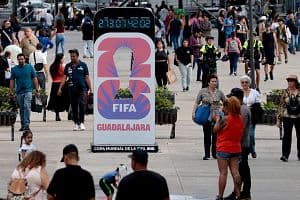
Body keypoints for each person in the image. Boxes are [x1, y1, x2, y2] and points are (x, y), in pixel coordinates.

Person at [213, 96, 244, 200]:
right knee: (236, 172)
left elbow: (215, 129)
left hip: (224, 147)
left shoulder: (226, 119)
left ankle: (220, 195)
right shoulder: (240, 118)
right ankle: (238, 194)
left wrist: (217, 119)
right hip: (236, 148)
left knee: (223, 173)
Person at [224, 88, 252, 200]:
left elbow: (241, 128)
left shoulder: (243, 110)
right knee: (239, 170)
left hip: (242, 145)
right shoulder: (239, 109)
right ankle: (237, 192)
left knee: (243, 169)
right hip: (239, 144)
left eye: (231, 97)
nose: (230, 99)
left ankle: (244, 192)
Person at [192, 74, 226, 160]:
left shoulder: (219, 92)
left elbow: (226, 102)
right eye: (213, 81)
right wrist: (193, 112)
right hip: (206, 114)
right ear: (208, 82)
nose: (214, 83)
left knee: (215, 135)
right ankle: (207, 154)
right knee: (207, 135)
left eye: (215, 81)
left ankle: (214, 153)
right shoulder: (203, 91)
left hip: (216, 115)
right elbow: (197, 102)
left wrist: (221, 109)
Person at [57, 49, 92, 131]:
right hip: (72, 89)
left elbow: (86, 77)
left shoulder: (83, 65)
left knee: (82, 104)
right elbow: (64, 77)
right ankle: (76, 123)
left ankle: (82, 123)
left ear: (77, 56)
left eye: (74, 56)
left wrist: (90, 89)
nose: (72, 58)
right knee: (74, 106)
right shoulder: (68, 66)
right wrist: (60, 88)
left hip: (82, 88)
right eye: (71, 56)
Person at [9, 53, 39, 131]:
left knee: (27, 106)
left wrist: (36, 89)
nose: (21, 61)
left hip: (28, 90)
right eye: (19, 59)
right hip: (19, 92)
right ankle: (23, 125)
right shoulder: (14, 69)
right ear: (17, 60)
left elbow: (34, 78)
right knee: (21, 108)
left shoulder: (29, 67)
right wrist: (11, 91)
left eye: (22, 59)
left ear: (24, 59)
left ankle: (26, 124)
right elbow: (12, 80)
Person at [276, 75, 300, 162]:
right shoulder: (285, 92)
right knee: (286, 136)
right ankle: (285, 155)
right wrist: (278, 119)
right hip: (287, 116)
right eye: (288, 81)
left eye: (292, 81)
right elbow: (281, 106)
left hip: (298, 117)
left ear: (296, 82)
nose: (289, 83)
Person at [240, 75, 262, 159]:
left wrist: (250, 107)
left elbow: (258, 104)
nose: (244, 84)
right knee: (242, 134)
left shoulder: (254, 92)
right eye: (243, 82)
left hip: (251, 115)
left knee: (251, 134)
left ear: (249, 83)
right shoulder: (239, 92)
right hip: (241, 115)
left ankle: (252, 150)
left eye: (246, 82)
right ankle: (243, 149)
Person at [47, 53, 69, 121]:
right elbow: (66, 76)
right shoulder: (63, 66)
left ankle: (57, 115)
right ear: (60, 59)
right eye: (62, 58)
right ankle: (69, 113)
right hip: (62, 84)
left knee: (56, 100)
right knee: (66, 99)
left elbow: (52, 75)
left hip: (54, 84)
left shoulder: (52, 66)